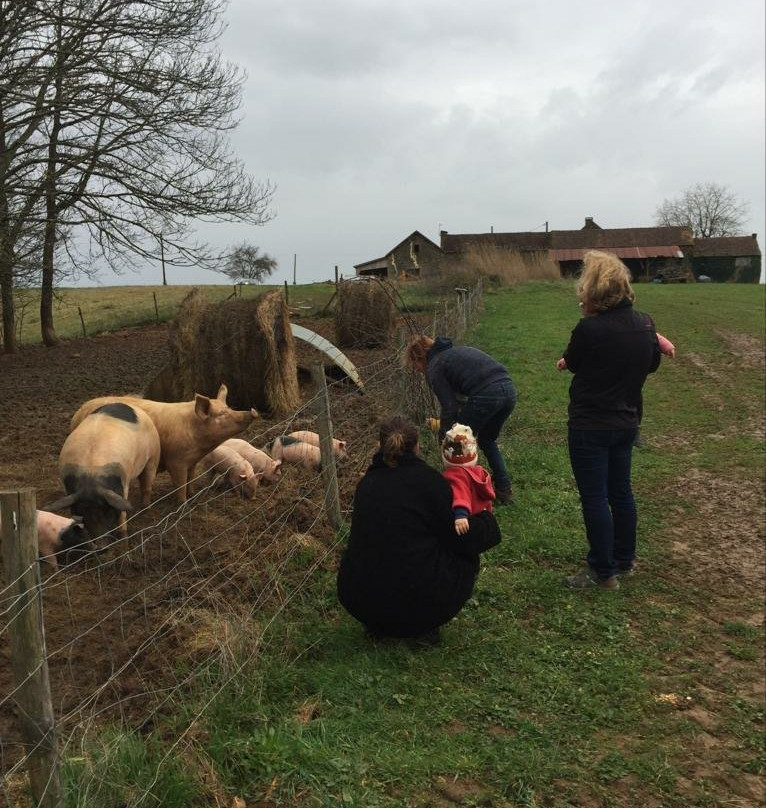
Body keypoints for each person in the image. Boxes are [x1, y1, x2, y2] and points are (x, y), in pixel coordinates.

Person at [336, 415, 501, 642]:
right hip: (421, 603)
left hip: (361, 601)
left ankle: (380, 624)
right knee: (464, 553)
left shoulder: (366, 484)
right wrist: (487, 523)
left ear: (379, 446)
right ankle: (423, 624)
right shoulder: (432, 483)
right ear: (418, 446)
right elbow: (459, 537)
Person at [557, 250, 664, 590]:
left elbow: (572, 362)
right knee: (621, 492)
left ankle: (602, 572)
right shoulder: (646, 323)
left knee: (594, 497)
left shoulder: (589, 329)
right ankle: (624, 559)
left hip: (590, 425)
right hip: (627, 422)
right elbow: (652, 364)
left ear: (592, 289)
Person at [404, 335, 517, 503]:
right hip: (509, 390)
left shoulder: (435, 366)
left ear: (419, 357)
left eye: (415, 365)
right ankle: (503, 488)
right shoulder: (453, 354)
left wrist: (444, 436)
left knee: (457, 445)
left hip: (487, 394)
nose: (417, 370)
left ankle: (461, 496)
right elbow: (461, 400)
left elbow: (449, 406)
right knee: (487, 439)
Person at [441, 423, 495, 535]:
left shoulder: (455, 475)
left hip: (468, 522)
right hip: (484, 519)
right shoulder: (479, 472)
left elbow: (460, 494)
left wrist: (461, 515)